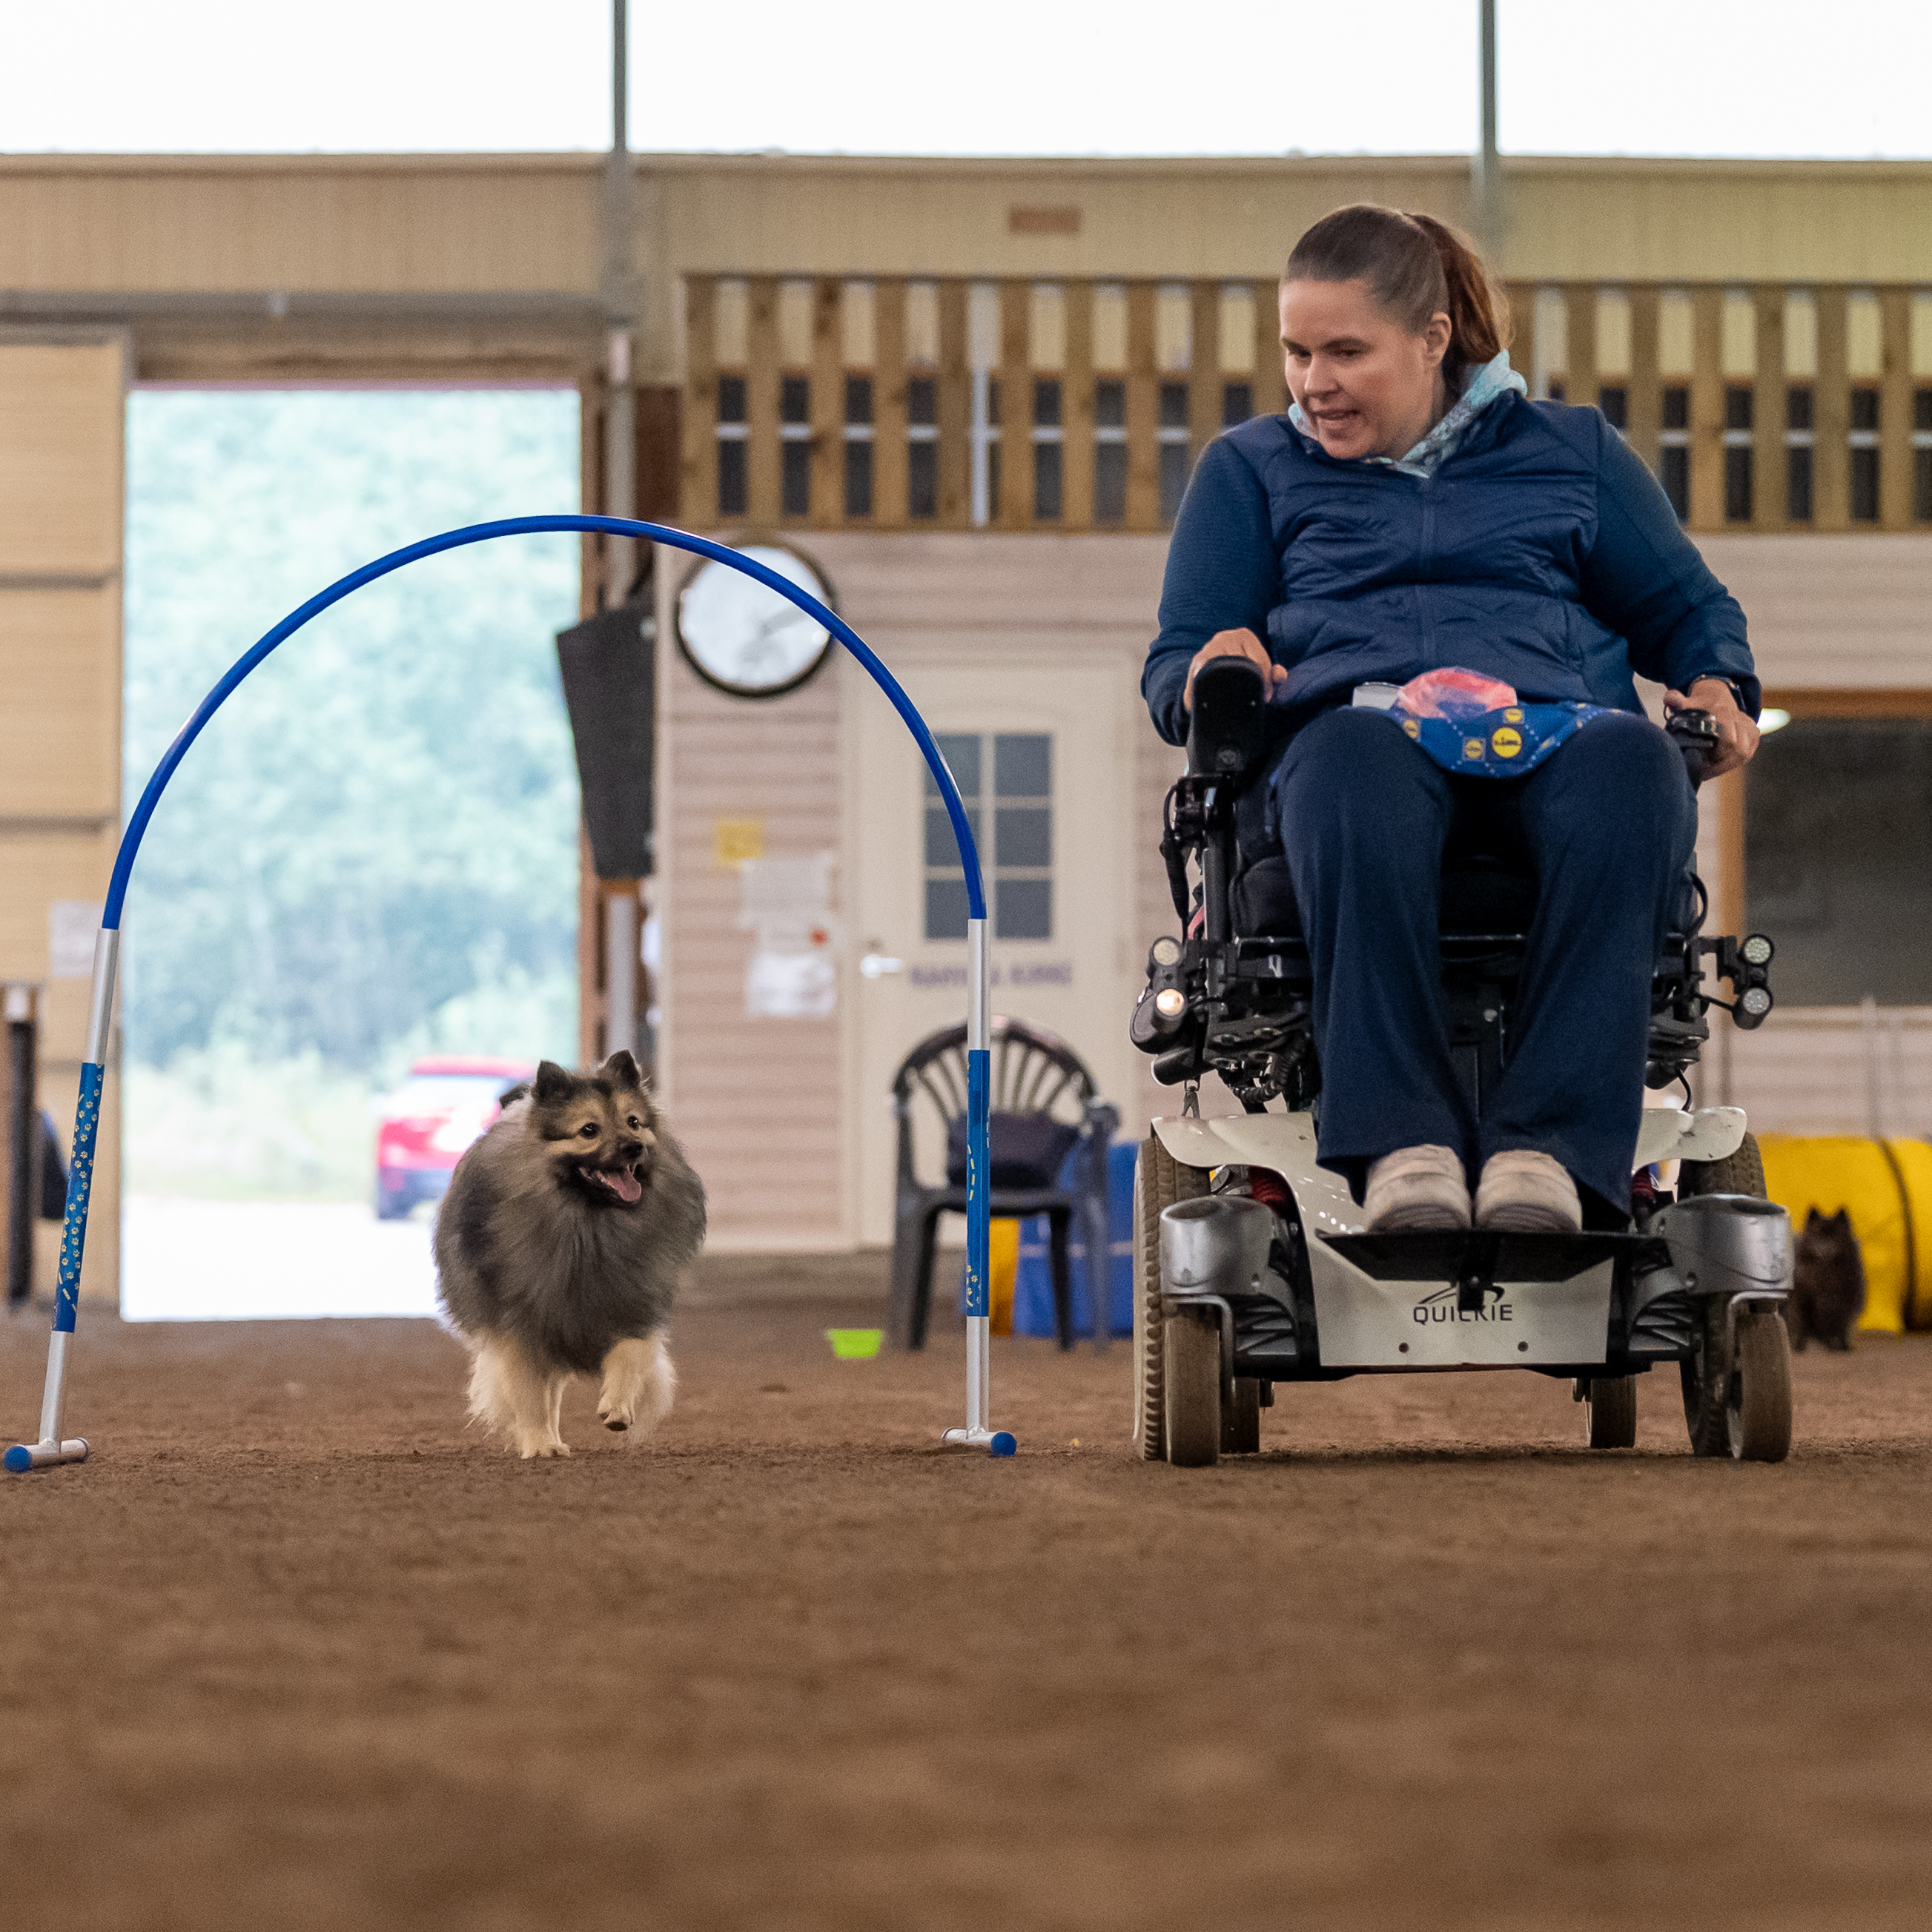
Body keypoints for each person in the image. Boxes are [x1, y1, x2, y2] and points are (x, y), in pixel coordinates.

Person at [1142, 204, 1761, 1234]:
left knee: (1635, 766)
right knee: (1345, 760)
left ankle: (1547, 1152)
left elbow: (1687, 610)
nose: (1311, 383)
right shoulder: (1251, 469)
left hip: (1550, 733)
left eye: (1345, 351)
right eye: (1296, 351)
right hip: (1358, 742)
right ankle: (1401, 1146)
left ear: (1431, 340)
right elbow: (1179, 656)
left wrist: (1716, 683)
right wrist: (1212, 660)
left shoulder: (1570, 451)